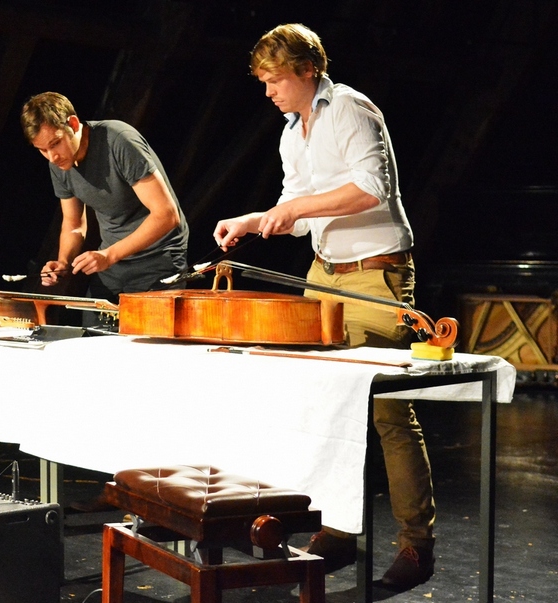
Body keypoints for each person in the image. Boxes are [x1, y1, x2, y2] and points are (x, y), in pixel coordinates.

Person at [213, 24, 435, 590]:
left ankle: (417, 545)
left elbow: (370, 187)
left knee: (385, 412)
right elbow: (300, 209)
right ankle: (337, 530)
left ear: (308, 70)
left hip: (375, 275)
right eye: (263, 81)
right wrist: (254, 220)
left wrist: (298, 208)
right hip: (323, 276)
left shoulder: (351, 109)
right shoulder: (292, 132)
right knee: (325, 407)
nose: (269, 92)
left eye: (276, 80)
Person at [20, 92, 189, 310]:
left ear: (72, 123)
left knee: (147, 339)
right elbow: (73, 223)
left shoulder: (118, 140)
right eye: (42, 150)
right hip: (113, 263)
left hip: (158, 259)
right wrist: (62, 262)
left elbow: (166, 215)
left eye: (56, 143)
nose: (52, 156)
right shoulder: (59, 165)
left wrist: (108, 255)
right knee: (94, 335)